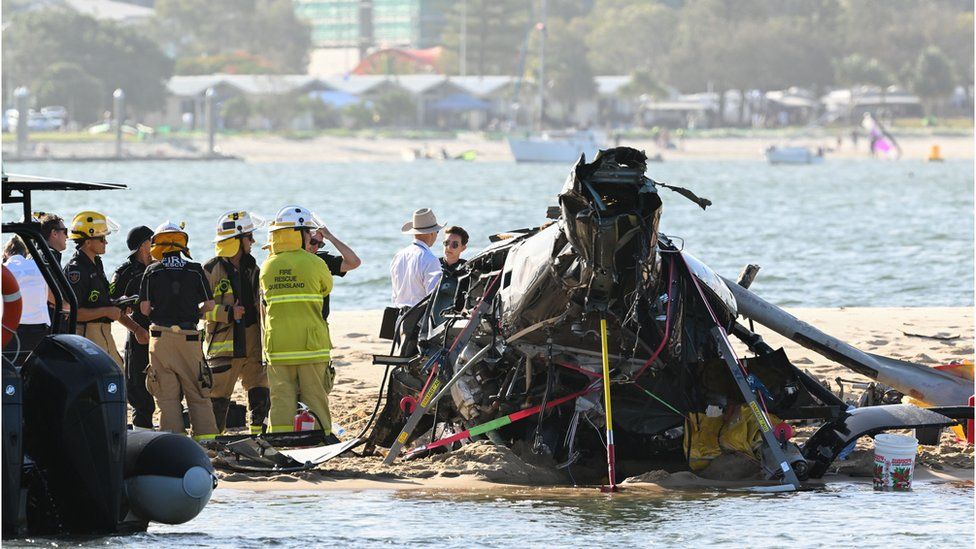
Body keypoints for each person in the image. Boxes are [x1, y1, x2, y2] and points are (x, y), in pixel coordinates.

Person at [259, 205, 337, 441]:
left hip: (279, 346)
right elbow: (326, 287)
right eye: (308, 233)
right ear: (299, 233)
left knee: (281, 400)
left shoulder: (267, 266)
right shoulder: (315, 263)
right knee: (316, 398)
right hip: (310, 346)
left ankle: (282, 442)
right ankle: (320, 439)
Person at [139, 222, 218, 440]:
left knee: (166, 396)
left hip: (160, 339)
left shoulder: (151, 270)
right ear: (182, 244)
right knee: (198, 391)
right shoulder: (194, 269)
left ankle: (173, 439)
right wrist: (196, 313)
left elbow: (145, 309)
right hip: (189, 338)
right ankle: (207, 439)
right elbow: (209, 305)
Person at [203, 210, 269, 434]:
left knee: (260, 390)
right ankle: (212, 439)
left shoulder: (254, 267)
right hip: (224, 344)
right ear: (237, 240)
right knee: (217, 398)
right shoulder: (210, 270)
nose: (253, 241)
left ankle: (258, 435)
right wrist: (227, 313)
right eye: (249, 237)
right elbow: (197, 310)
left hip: (252, 341)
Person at [64, 211, 137, 368]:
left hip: (102, 334)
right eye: (102, 238)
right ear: (88, 242)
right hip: (87, 338)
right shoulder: (76, 271)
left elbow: (97, 301)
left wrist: (118, 304)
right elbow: (73, 313)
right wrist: (106, 311)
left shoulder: (96, 264)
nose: (106, 242)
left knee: (116, 375)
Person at [110, 226, 154, 428]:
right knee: (138, 390)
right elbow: (112, 308)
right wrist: (136, 329)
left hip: (162, 335)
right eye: (151, 241)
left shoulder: (160, 267)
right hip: (138, 336)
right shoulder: (124, 273)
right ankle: (142, 432)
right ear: (144, 245)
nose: (154, 245)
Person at [2, 236, 50, 364]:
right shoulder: (39, 267)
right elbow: (46, 296)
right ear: (25, 253)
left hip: (11, 330)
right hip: (40, 330)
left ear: (6, 253)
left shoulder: (4, 269)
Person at [304, 223, 361, 322]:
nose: (316, 247)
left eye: (320, 244)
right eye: (313, 242)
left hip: (319, 321)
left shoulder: (322, 260)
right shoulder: (287, 260)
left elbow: (354, 262)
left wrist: (331, 237)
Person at [390, 208, 443, 310]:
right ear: (431, 233)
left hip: (399, 318)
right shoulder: (430, 260)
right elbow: (434, 298)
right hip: (418, 319)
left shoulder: (398, 256)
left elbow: (395, 295)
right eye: (437, 231)